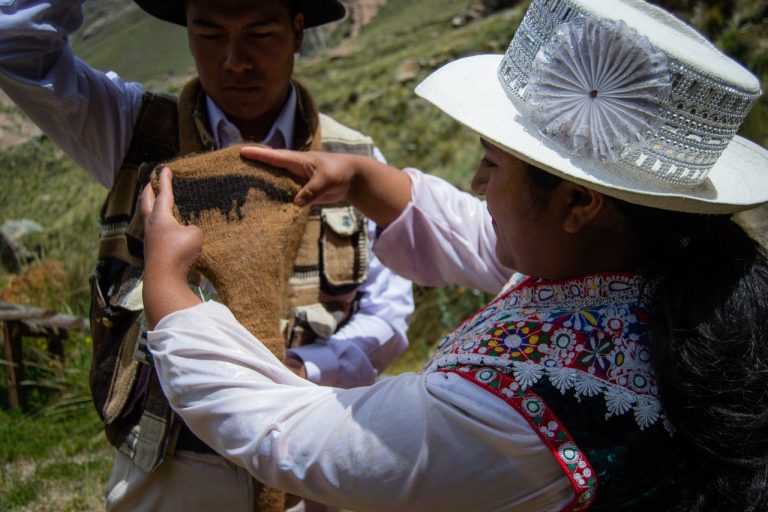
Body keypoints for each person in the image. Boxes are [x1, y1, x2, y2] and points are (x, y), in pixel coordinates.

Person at [139, 0, 768, 510]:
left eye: (493, 164)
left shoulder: (513, 413)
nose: (475, 181)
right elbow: (482, 234)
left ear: (578, 204)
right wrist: (365, 181)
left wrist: (169, 293)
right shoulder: (668, 274)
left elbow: (294, 436)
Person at [0, 0, 413, 510]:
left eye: (260, 33)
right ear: (188, 32)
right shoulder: (131, 129)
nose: (235, 60)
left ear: (298, 31)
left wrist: (308, 369)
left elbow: (389, 312)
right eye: (211, 35)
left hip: (316, 459)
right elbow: (16, 43)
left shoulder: (356, 162)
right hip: (173, 464)